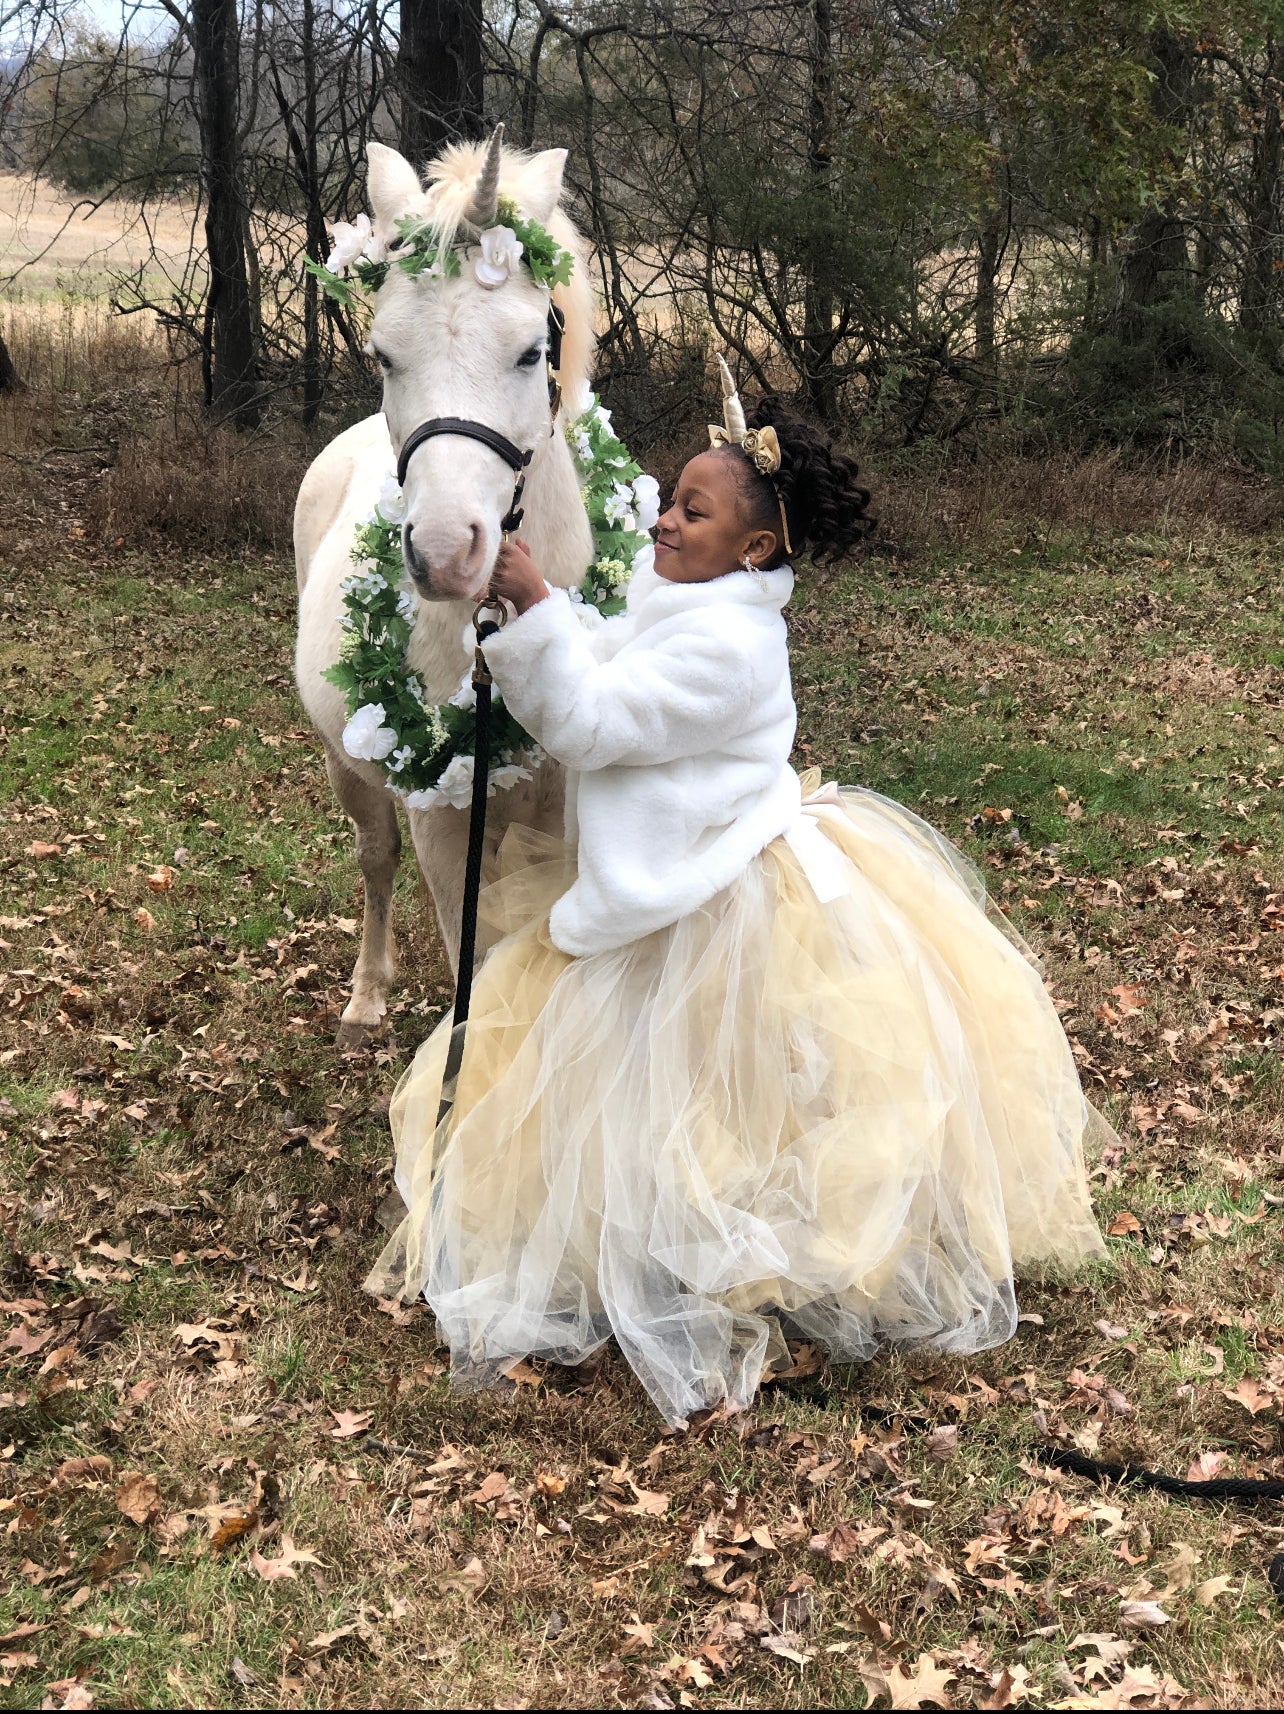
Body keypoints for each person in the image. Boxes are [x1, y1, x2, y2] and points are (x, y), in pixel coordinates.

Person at [366, 359, 1106, 1428]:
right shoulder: (689, 604)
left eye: (692, 511)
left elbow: (594, 722)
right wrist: (541, 615)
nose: (664, 521)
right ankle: (667, 1230)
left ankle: (730, 1253)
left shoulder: (730, 645)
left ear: (754, 546)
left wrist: (531, 615)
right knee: (670, 1090)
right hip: (670, 882)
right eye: (668, 500)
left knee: (705, 1085)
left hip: (708, 898)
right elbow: (604, 655)